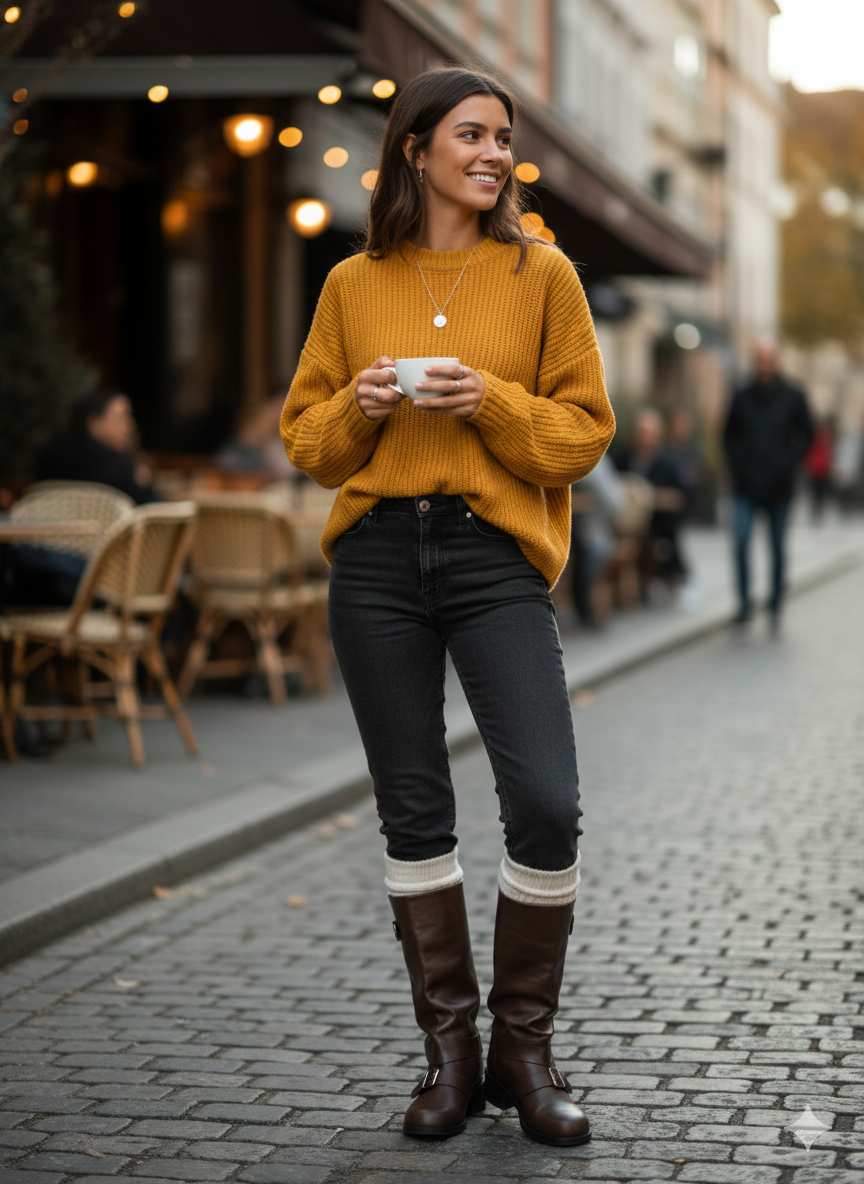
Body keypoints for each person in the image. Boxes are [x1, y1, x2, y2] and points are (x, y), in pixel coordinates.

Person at [281, 68, 615, 1146]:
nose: (492, 152)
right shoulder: (349, 282)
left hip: (492, 559)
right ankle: (451, 1053)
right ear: (414, 148)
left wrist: (493, 401)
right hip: (376, 562)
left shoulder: (544, 274)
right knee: (414, 811)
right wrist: (360, 406)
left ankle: (526, 1050)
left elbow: (584, 432)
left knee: (547, 801)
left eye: (502, 138)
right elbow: (307, 441)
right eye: (470, 134)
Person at [723, 339, 814, 628]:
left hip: (780, 486)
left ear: (776, 361)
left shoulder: (793, 396)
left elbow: (809, 434)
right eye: (759, 359)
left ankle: (775, 604)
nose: (763, 364)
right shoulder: (741, 396)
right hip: (746, 486)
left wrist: (788, 461)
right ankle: (744, 604)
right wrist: (738, 464)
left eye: (768, 359)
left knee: (776, 546)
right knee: (740, 541)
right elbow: (727, 435)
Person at [33, 389, 157, 504]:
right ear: (94, 423)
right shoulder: (115, 466)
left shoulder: (46, 455)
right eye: (121, 418)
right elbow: (150, 504)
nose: (130, 425)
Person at [619, 408, 687, 591]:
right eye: (641, 432)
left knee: (664, 538)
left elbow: (680, 496)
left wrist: (650, 496)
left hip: (658, 520)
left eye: (648, 433)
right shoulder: (624, 457)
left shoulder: (668, 462)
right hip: (629, 518)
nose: (644, 437)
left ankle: (672, 575)